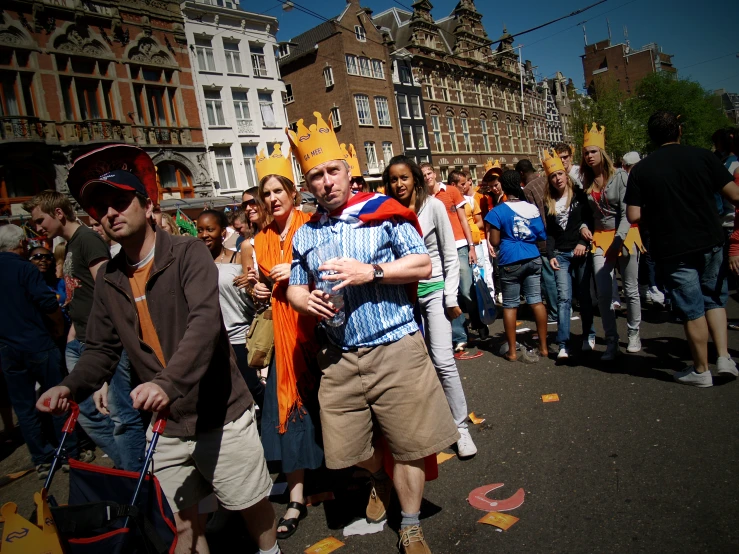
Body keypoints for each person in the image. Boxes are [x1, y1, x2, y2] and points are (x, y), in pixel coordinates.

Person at [36, 143, 280, 554]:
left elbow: (205, 326)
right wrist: (70, 386)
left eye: (120, 201)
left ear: (147, 206)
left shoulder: (187, 254)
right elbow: (99, 349)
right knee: (182, 523)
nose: (111, 213)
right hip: (166, 423)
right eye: (102, 208)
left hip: (219, 413)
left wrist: (168, 382)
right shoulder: (111, 279)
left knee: (250, 506)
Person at [286, 113, 459, 554]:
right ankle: (377, 476)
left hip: (396, 347)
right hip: (340, 356)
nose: (325, 182)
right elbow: (295, 286)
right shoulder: (304, 235)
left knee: (410, 444)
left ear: (349, 168)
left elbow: (422, 265)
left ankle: (412, 523)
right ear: (307, 184)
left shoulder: (383, 214)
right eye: (315, 176)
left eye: (332, 171)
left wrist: (373, 271)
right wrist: (303, 300)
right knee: (347, 449)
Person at [23, 189, 143, 470]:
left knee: (121, 417)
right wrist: (73, 335)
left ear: (59, 213)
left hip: (102, 344)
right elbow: (81, 295)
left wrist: (105, 350)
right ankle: (128, 470)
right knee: (88, 414)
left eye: (40, 220)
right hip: (82, 340)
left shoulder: (87, 240)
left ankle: (137, 480)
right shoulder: (72, 244)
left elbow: (108, 292)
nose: (38, 227)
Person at [626, 112, 739, 387]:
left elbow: (632, 215)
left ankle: (701, 371)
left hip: (673, 246)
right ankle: (724, 358)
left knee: (692, 308)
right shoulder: (703, 156)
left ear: (652, 137)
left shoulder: (642, 169)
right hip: (710, 239)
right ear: (679, 130)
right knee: (714, 298)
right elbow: (735, 195)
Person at [252, 145, 324, 540]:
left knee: (332, 410)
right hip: (284, 339)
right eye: (267, 193)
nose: (273, 198)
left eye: (279, 190)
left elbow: (328, 274)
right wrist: (261, 290)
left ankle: (360, 475)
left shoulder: (312, 225)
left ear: (293, 193)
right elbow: (263, 286)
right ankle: (296, 498)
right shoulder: (260, 238)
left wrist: (298, 269)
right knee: (292, 415)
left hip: (320, 332)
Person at [384, 155, 477, 459]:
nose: (399, 184)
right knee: (410, 366)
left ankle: (460, 427)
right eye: (394, 179)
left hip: (435, 289)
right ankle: (424, 428)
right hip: (403, 296)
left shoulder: (434, 206)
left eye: (404, 178)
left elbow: (450, 256)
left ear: (416, 179)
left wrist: (450, 296)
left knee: (442, 360)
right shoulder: (389, 213)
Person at [0, 225, 79, 478]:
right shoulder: (25, 268)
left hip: (7, 348)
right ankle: (69, 453)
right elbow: (47, 303)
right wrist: (58, 328)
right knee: (56, 398)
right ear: (22, 243)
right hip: (37, 343)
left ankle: (42, 459)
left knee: (23, 406)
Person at [580, 123, 643, 360]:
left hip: (625, 235)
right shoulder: (585, 182)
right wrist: (584, 226)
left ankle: (634, 333)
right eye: (586, 153)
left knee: (631, 289)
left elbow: (628, 210)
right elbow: (584, 214)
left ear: (602, 153)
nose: (589, 156)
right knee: (604, 293)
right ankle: (612, 341)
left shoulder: (621, 176)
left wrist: (619, 239)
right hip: (599, 238)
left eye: (593, 151)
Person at [196, 209, 264, 410]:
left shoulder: (237, 259)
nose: (204, 234)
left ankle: (273, 423)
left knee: (252, 386)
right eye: (200, 230)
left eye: (210, 229)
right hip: (213, 339)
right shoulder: (195, 263)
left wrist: (251, 283)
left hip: (239, 336)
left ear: (222, 232)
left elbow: (256, 293)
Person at [486, 170, 549, 363]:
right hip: (532, 256)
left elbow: (495, 240)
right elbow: (541, 235)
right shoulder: (531, 208)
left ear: (503, 187)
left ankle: (512, 351)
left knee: (511, 305)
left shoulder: (497, 211)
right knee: (536, 301)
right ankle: (544, 347)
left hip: (510, 259)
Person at [420, 163, 483, 354]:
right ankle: (459, 335)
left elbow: (464, 219)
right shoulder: (423, 199)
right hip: (439, 250)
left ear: (435, 173)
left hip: (460, 245)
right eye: (423, 175)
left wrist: (472, 246)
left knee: (466, 290)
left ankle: (477, 321)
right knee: (450, 293)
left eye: (429, 173)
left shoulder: (452, 191)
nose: (427, 177)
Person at [541, 151, 595, 359]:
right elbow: (551, 232)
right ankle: (564, 343)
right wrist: (551, 253)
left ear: (565, 174)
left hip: (580, 251)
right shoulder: (548, 202)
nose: (557, 179)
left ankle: (589, 334)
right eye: (553, 176)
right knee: (564, 298)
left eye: (560, 175)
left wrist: (583, 241)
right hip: (561, 254)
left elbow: (589, 221)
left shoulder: (579, 195)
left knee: (584, 297)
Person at [520, 159, 559, 324]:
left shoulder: (528, 190)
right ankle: (565, 305)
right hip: (560, 231)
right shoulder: (547, 179)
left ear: (522, 174)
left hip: (544, 235)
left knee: (548, 275)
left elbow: (533, 215)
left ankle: (555, 311)